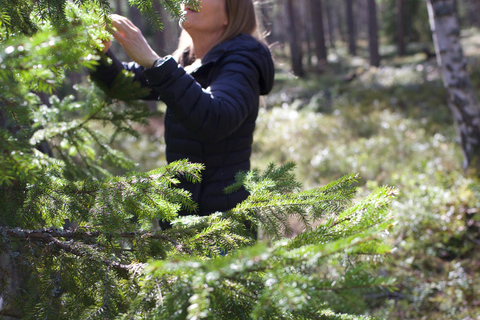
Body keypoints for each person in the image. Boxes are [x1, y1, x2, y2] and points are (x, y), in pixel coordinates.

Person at [91, 0, 275, 223]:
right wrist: (98, 52)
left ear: (231, 14)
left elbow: (216, 119)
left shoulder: (242, 60)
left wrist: (155, 63)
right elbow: (121, 83)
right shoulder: (187, 60)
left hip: (223, 229)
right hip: (181, 223)